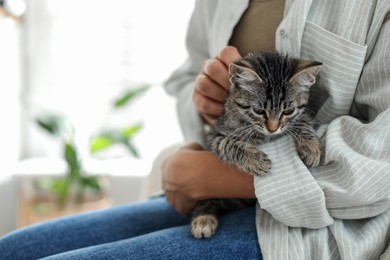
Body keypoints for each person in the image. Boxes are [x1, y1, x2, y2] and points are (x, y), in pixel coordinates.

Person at [1, 0, 389, 259]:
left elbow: (381, 164)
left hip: (321, 228)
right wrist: (202, 98)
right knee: (14, 249)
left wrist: (216, 177)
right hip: (216, 190)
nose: (275, 125)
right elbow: (187, 80)